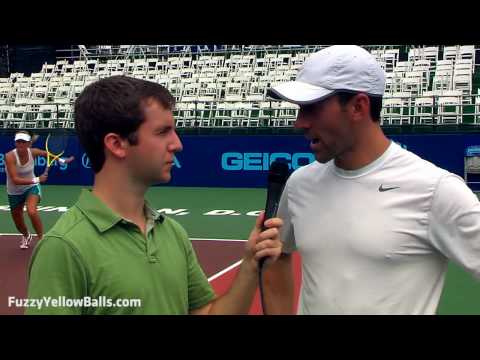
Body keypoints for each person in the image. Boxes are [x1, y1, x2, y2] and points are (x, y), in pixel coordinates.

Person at [26, 75, 283, 315]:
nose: (177, 144)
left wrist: (250, 265)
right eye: (162, 132)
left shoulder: (172, 233)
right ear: (116, 144)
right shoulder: (63, 248)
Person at [262, 45, 480, 315]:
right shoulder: (299, 184)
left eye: (311, 109)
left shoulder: (436, 189)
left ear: (358, 106)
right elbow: (277, 254)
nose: (299, 123)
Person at [5, 131, 74, 249]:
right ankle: (26, 235)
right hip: (14, 191)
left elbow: (48, 154)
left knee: (32, 211)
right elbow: (15, 179)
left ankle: (42, 239)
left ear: (28, 144)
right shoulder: (10, 156)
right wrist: (37, 179)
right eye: (18, 142)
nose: (20, 145)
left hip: (31, 188)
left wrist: (61, 160)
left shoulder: (34, 152)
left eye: (23, 142)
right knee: (18, 223)